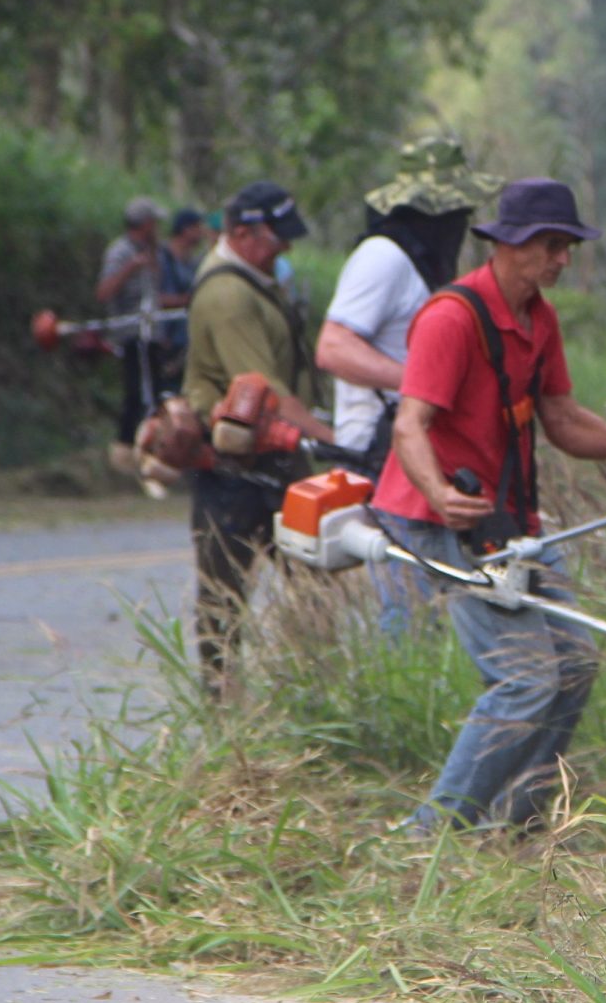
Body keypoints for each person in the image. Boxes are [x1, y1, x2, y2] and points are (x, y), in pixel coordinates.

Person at [372, 178, 606, 833]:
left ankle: (515, 822)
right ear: (508, 244)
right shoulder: (451, 317)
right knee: (525, 678)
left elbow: (561, 419)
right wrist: (439, 493)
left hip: (508, 521)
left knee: (575, 665)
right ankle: (429, 835)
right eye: (551, 245)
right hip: (439, 516)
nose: (562, 258)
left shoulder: (540, 317)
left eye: (567, 245)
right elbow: (409, 424)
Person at [315, 135, 483, 634]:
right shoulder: (383, 257)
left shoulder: (420, 260)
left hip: (406, 447)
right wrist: (422, 386)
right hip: (378, 447)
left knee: (431, 603)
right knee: (406, 610)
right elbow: (333, 348)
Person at [181, 180, 335, 688]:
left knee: (313, 580)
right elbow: (266, 391)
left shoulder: (254, 280)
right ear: (244, 233)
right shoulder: (228, 294)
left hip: (271, 464)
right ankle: (223, 714)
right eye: (277, 237)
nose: (286, 247)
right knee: (223, 601)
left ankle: (317, 695)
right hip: (235, 474)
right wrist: (333, 443)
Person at [96, 196, 167, 465]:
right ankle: (124, 453)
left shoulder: (152, 252)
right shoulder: (121, 251)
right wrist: (131, 268)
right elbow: (104, 292)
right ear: (145, 224)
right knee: (137, 393)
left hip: (152, 334)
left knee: (155, 392)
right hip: (130, 333)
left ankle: (153, 452)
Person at [155, 206, 208, 394]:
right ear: (186, 229)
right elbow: (154, 297)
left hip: (185, 340)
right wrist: (185, 300)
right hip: (165, 338)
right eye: (197, 227)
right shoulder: (161, 258)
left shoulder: (191, 261)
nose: (202, 232)